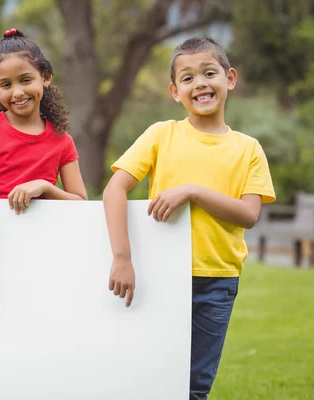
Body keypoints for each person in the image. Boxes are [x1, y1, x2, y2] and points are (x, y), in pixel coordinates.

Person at [103, 37, 275, 399]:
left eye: (209, 73)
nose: (199, 83)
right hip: (161, 275)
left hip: (217, 282)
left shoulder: (248, 149)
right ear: (174, 90)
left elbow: (248, 215)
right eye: (188, 78)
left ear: (229, 78)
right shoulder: (160, 135)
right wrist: (122, 258)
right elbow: (114, 189)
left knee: (196, 386)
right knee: (150, 377)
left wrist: (193, 190)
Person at [0, 28, 88, 311]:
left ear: (46, 78)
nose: (17, 92)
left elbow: (81, 205)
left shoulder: (62, 142)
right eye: (6, 85)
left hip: (41, 255)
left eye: (25, 80)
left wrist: (45, 186)